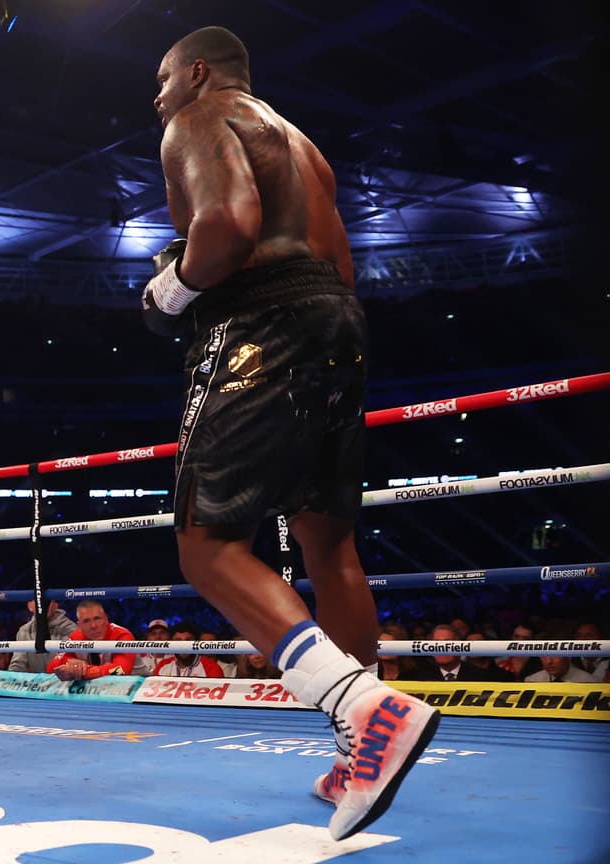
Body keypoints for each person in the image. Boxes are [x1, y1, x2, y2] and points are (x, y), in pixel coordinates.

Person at [144, 26, 438, 840]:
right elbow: (339, 261)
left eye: (163, 79)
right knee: (327, 542)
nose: (157, 95)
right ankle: (355, 755)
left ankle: (363, 708)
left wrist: (170, 290)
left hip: (259, 324)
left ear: (197, 72)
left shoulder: (201, 118)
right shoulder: (300, 143)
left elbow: (229, 224)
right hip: (336, 320)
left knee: (206, 543)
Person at [46, 599, 153, 680]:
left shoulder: (121, 635)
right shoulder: (76, 637)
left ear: (106, 619)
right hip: (104, 694)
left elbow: (120, 671)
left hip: (138, 690)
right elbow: (51, 667)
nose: (93, 625)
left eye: (97, 618)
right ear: (79, 625)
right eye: (86, 621)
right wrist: (69, 665)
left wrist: (83, 671)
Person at [7, 599, 76, 673]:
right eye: (38, 601)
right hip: (37, 683)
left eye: (46, 602)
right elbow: (18, 665)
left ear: (55, 605)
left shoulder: (70, 629)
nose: (42, 606)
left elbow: (71, 665)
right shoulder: (24, 631)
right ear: (30, 606)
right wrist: (7, 681)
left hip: (63, 681)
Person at [152, 623, 226, 678]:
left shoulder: (211, 667)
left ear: (196, 642)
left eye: (188, 640)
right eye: (178, 640)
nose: (183, 645)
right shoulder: (162, 666)